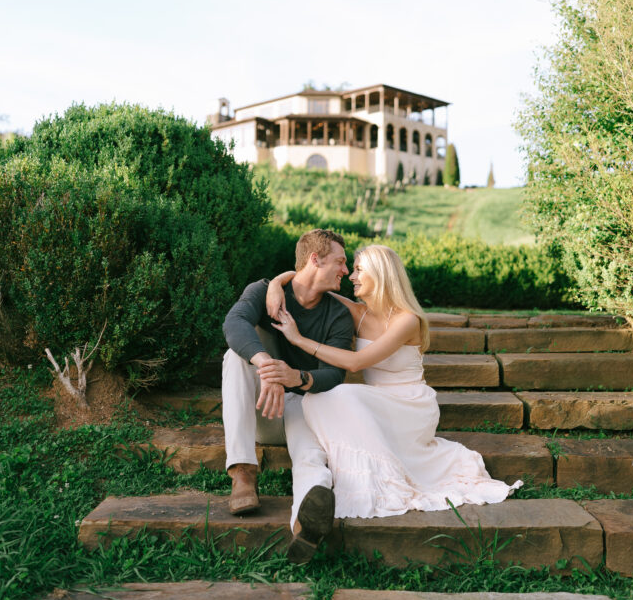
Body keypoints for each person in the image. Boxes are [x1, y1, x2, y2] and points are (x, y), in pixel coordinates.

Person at [267, 244, 521, 523]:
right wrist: (278, 282)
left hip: (409, 406)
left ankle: (368, 481)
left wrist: (299, 340)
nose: (351, 276)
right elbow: (307, 280)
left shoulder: (407, 320)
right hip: (375, 406)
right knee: (317, 398)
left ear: (381, 274)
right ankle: (349, 476)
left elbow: (356, 363)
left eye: (359, 270)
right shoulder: (357, 312)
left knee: (334, 395)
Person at [220, 228, 355, 564]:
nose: (346, 271)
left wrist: (296, 377)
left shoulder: (337, 315)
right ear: (315, 259)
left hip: (305, 406)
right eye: (340, 262)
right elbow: (234, 322)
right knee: (233, 358)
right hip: (264, 409)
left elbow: (336, 373)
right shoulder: (264, 292)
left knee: (310, 456)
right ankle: (242, 472)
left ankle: (304, 525)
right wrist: (266, 365)